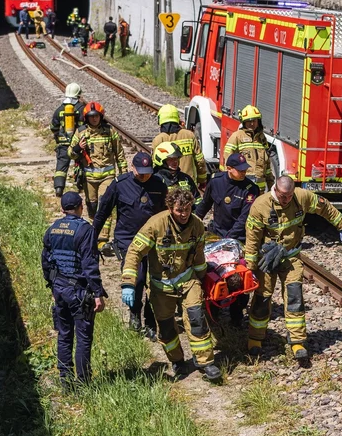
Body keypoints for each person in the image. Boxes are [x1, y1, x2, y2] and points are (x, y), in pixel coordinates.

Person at [245, 176, 342, 363]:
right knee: (263, 297)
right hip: (267, 260)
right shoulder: (260, 206)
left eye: (289, 196)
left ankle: (297, 341)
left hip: (291, 256)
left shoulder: (301, 197)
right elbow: (252, 239)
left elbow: (324, 207)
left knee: (294, 297)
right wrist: (251, 268)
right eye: (283, 196)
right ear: (275, 189)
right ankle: (255, 338)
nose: (286, 200)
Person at [122, 189, 221, 382]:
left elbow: (199, 257)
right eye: (179, 210)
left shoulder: (197, 225)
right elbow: (135, 252)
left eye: (187, 209)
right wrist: (128, 283)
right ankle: (177, 361)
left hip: (187, 281)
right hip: (161, 287)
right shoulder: (156, 225)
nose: (184, 214)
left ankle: (206, 363)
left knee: (197, 320)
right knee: (166, 329)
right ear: (170, 208)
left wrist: (205, 279)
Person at [92, 152, 167, 338]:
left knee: (154, 281)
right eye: (140, 172)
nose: (144, 176)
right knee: (138, 279)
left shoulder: (159, 184)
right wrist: (91, 238)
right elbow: (103, 213)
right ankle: (135, 314)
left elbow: (167, 214)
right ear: (132, 168)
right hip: (128, 240)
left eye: (147, 172)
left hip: (154, 240)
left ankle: (150, 320)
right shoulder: (119, 184)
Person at [42, 192, 106, 387]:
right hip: (79, 291)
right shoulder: (85, 230)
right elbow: (89, 264)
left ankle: (65, 380)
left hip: (60, 289)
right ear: (81, 207)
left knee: (64, 335)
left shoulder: (52, 229)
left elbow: (46, 261)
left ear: (62, 209)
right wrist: (98, 293)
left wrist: (52, 286)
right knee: (83, 338)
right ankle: (83, 382)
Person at [195, 153, 260, 326]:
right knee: (212, 276)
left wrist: (229, 241)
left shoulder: (251, 189)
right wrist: (192, 224)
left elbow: (244, 219)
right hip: (216, 235)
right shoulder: (216, 182)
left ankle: (236, 314)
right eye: (239, 170)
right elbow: (205, 204)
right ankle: (214, 312)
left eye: (245, 169)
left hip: (237, 238)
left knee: (239, 277)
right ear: (229, 169)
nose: (243, 172)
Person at [66, 102, 127, 250]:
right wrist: (77, 148)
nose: (94, 119)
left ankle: (103, 239)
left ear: (101, 116)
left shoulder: (110, 132)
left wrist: (124, 176)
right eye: (91, 117)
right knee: (92, 205)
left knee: (104, 203)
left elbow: (120, 154)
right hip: (89, 178)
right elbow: (70, 154)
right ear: (86, 118)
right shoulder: (81, 133)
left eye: (96, 116)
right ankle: (94, 234)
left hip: (108, 177)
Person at [202, 238, 258, 328]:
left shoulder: (233, 261)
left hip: (217, 247)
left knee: (238, 298)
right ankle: (225, 319)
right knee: (235, 298)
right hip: (217, 246)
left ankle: (217, 318)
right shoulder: (235, 260)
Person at [152, 104, 207, 190]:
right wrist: (202, 179)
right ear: (177, 118)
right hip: (188, 185)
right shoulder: (189, 135)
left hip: (166, 187)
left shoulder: (159, 139)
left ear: (160, 120)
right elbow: (199, 160)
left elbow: (155, 165)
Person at [223, 105, 275, 192]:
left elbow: (267, 164)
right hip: (243, 188)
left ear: (258, 121)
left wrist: (271, 185)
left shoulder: (262, 138)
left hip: (259, 190)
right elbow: (228, 159)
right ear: (243, 122)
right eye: (248, 121)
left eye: (254, 121)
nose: (252, 124)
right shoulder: (237, 136)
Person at [50, 83, 85, 196]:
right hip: (77, 143)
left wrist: (58, 137)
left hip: (63, 143)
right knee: (80, 162)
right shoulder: (80, 108)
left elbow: (53, 127)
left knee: (61, 166)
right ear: (78, 95)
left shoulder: (59, 109)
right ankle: (80, 183)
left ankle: (59, 188)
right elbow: (83, 126)